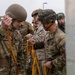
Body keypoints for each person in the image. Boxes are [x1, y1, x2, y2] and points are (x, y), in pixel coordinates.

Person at [28, 9, 66, 75]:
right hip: (49, 71)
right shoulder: (48, 34)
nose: (41, 25)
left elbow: (67, 56)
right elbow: (48, 45)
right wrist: (35, 44)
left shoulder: (61, 37)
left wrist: (52, 63)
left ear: (49, 21)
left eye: (43, 23)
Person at [0, 4, 27, 75]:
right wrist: (2, 29)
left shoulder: (18, 35)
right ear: (11, 19)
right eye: (19, 22)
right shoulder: (1, 31)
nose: (21, 24)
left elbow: (20, 56)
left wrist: (21, 72)